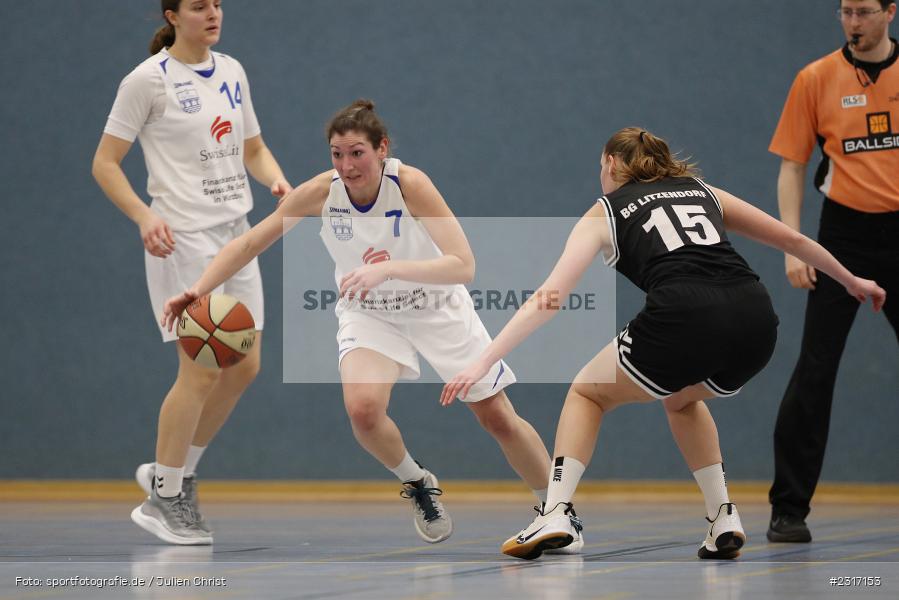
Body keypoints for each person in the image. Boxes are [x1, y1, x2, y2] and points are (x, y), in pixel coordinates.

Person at [441, 127, 886, 561]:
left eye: (600, 168)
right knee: (681, 398)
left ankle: (555, 512)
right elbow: (791, 238)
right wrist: (851, 280)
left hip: (684, 313)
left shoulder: (605, 209)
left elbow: (550, 297)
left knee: (587, 393)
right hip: (755, 318)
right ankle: (723, 516)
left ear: (611, 164)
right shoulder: (702, 190)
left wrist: (484, 360)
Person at [161, 99, 582, 549]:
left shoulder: (410, 184)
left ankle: (556, 512)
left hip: (435, 305)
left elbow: (463, 265)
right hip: (369, 313)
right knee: (363, 411)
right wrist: (198, 289)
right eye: (337, 154)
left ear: (382, 149)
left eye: (357, 153)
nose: (346, 165)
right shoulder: (320, 193)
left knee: (497, 417)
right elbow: (248, 244)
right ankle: (418, 482)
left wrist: (389, 268)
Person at [92, 0, 292, 545]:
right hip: (184, 239)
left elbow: (253, 147)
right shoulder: (147, 81)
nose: (213, 13)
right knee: (201, 370)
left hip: (237, 235)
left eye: (217, 4)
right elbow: (104, 163)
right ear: (172, 15)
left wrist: (275, 180)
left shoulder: (232, 70)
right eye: (199, 6)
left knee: (244, 366)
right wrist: (144, 216)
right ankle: (164, 496)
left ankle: (176, 474)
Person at [766, 0, 899, 543]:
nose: (853, 23)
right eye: (845, 12)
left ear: (890, 13)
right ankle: (788, 509)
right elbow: (792, 165)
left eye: (864, 12)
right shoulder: (815, 78)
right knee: (815, 369)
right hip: (844, 235)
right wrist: (793, 247)